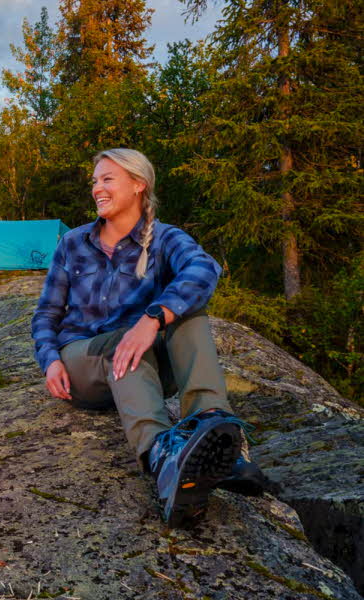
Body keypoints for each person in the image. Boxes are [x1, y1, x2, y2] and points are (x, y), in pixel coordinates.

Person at [31, 148, 264, 527]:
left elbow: (203, 269)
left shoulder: (165, 238)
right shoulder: (73, 243)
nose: (97, 189)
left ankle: (213, 430)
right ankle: (162, 455)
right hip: (85, 362)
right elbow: (46, 313)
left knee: (187, 313)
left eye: (108, 179)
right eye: (95, 181)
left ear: (139, 184)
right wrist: (50, 358)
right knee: (121, 343)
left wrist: (154, 318)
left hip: (152, 367)